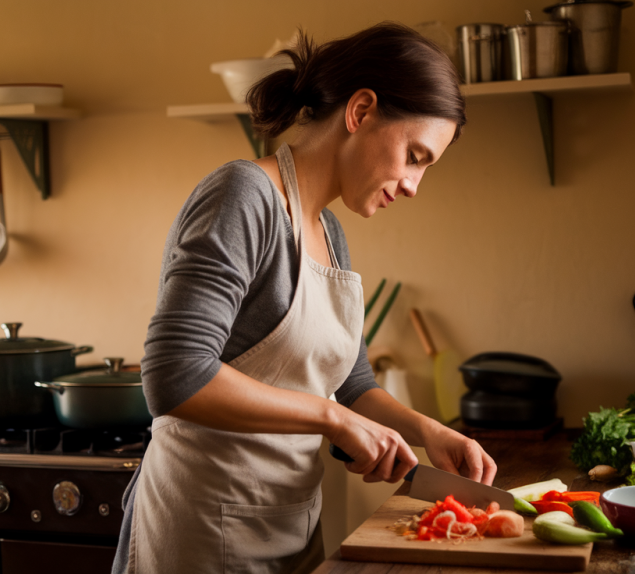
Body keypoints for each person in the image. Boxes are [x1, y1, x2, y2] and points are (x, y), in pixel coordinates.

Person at [112, 22, 498, 574]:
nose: (414, 185)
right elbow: (175, 374)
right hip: (203, 530)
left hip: (288, 524)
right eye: (414, 155)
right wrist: (333, 421)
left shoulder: (329, 231)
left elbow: (352, 384)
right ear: (361, 111)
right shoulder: (243, 197)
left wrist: (428, 431)